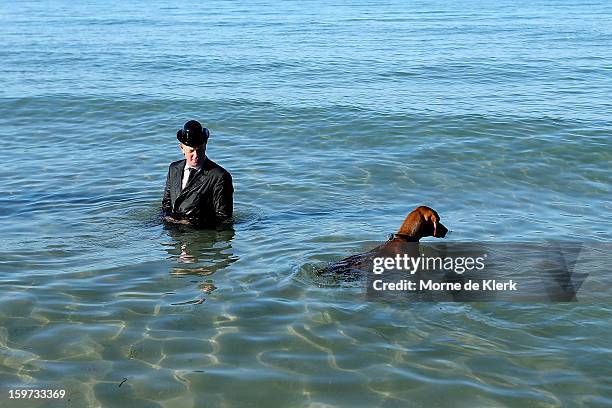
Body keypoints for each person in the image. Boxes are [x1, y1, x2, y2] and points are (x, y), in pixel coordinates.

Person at [161, 120, 233, 227]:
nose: (196, 156)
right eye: (191, 151)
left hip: (199, 236)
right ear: (182, 148)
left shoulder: (219, 176)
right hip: (175, 236)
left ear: (205, 145)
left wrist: (190, 224)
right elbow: (166, 203)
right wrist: (167, 219)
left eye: (200, 150)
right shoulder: (174, 169)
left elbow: (224, 218)